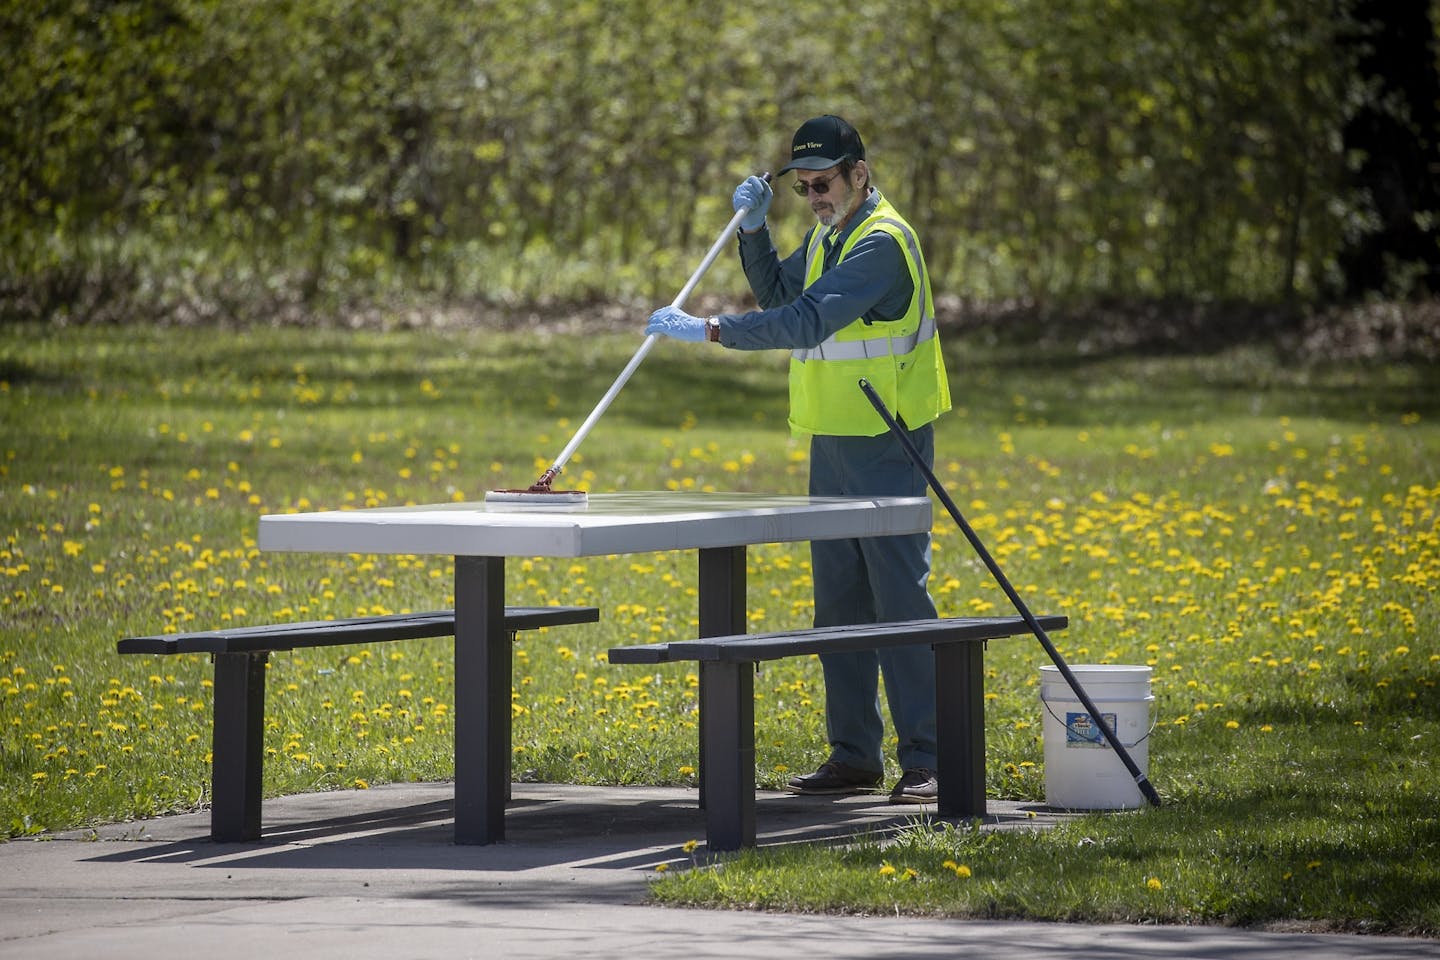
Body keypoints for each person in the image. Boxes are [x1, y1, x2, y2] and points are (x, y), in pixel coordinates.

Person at [645, 115, 953, 804]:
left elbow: (809, 321)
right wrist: (753, 232)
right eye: (803, 187)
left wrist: (713, 330)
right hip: (831, 443)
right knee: (839, 608)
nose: (813, 196)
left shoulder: (881, 244)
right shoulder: (826, 236)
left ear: (859, 176)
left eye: (824, 183)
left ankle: (930, 760)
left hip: (887, 442)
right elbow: (783, 296)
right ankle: (854, 757)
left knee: (899, 603)